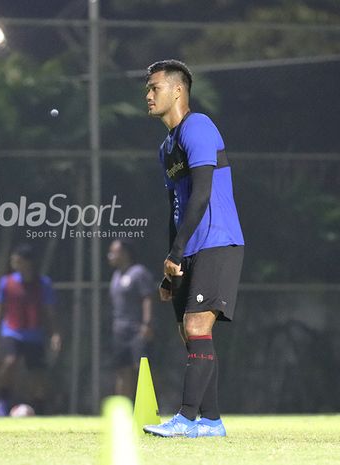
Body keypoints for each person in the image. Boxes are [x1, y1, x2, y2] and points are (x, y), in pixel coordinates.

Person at [142, 59, 245, 438]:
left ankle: (185, 419)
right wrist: (172, 263)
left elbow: (202, 193)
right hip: (190, 249)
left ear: (178, 90)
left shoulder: (198, 126)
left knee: (196, 324)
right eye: (148, 90)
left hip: (218, 241)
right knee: (192, 335)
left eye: (155, 88)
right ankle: (211, 421)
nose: (148, 95)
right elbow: (178, 209)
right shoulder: (166, 148)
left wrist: (179, 249)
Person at [0, 244, 61, 416]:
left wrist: (55, 333)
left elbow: (49, 311)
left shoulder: (43, 284)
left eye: (17, 260)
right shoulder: (7, 283)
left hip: (34, 334)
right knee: (10, 362)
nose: (13, 262)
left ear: (27, 262)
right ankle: (2, 402)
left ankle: (40, 409)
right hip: (12, 332)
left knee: (37, 373)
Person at [107, 239, 154, 398]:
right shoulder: (116, 276)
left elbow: (147, 298)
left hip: (137, 330)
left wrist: (147, 324)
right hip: (120, 331)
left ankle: (148, 406)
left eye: (114, 252)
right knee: (122, 369)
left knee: (141, 369)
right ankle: (124, 409)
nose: (111, 256)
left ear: (125, 253)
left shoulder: (138, 272)